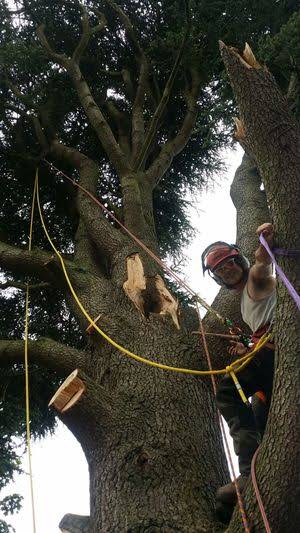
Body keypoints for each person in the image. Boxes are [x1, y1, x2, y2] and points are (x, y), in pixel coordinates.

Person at [201, 223, 276, 505]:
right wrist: (247, 347)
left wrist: (263, 246)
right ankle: (261, 467)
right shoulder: (246, 301)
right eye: (219, 269)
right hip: (268, 355)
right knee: (260, 417)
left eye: (228, 262)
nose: (226, 269)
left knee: (228, 391)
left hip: (273, 352)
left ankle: (247, 474)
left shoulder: (256, 282)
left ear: (238, 260)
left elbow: (261, 265)